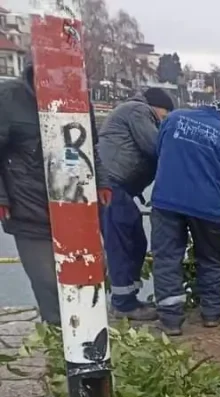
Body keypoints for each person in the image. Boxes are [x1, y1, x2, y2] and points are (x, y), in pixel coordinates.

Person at [0, 61, 111, 325]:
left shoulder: (77, 95)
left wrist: (102, 182)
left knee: (95, 271)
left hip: (75, 204)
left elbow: (90, 147)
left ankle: (90, 334)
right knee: (48, 280)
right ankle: (57, 338)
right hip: (28, 207)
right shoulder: (8, 98)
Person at [150, 100, 220, 336]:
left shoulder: (173, 119)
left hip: (167, 201)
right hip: (207, 207)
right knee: (210, 257)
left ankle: (171, 320)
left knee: (167, 257)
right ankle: (212, 314)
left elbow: (158, 151)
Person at [97, 88, 175, 320]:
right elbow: (155, 147)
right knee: (123, 242)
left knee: (135, 241)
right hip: (111, 186)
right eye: (163, 117)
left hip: (118, 189)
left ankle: (127, 298)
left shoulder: (135, 111)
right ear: (156, 108)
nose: (163, 122)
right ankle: (123, 303)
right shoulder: (137, 110)